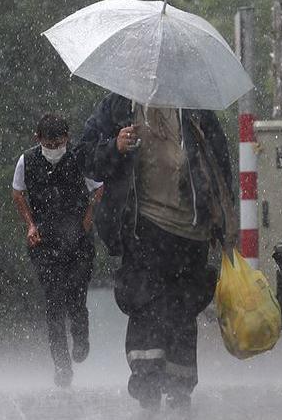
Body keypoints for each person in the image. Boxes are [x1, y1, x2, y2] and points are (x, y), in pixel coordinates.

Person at [80, 94, 237, 410]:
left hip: (190, 228)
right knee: (147, 301)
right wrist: (115, 147)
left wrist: (222, 222)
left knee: (182, 305)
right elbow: (86, 159)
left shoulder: (194, 107)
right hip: (143, 224)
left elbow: (219, 163)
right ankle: (147, 381)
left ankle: (180, 385)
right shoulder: (118, 107)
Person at [11, 114, 102, 387]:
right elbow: (18, 192)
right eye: (49, 144)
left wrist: (89, 215)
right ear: (37, 139)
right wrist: (29, 224)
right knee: (53, 302)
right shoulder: (26, 161)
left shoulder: (78, 159)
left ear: (67, 139)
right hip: (44, 243)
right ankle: (62, 365)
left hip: (78, 240)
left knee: (76, 294)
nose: (54, 149)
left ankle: (81, 333)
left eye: (59, 143)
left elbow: (98, 189)